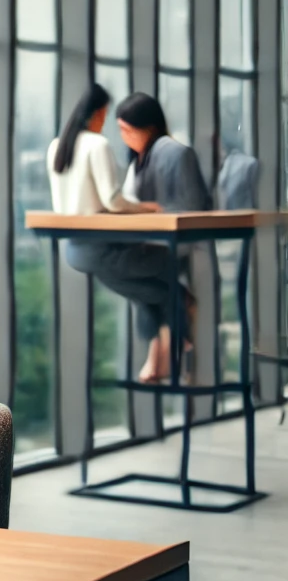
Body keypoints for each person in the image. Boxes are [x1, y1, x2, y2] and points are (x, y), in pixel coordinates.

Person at [45, 84, 174, 383]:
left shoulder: (57, 145)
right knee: (168, 264)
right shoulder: (96, 145)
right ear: (100, 112)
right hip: (103, 248)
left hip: (76, 251)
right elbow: (113, 201)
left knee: (153, 293)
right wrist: (149, 208)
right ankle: (182, 339)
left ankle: (160, 358)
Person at [112, 92, 212, 382]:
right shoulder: (139, 160)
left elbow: (194, 207)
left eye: (128, 130)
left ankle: (162, 347)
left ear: (150, 127)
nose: (124, 137)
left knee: (140, 275)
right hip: (152, 241)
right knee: (141, 279)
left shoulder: (176, 153)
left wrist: (151, 214)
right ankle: (167, 341)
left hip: (178, 243)